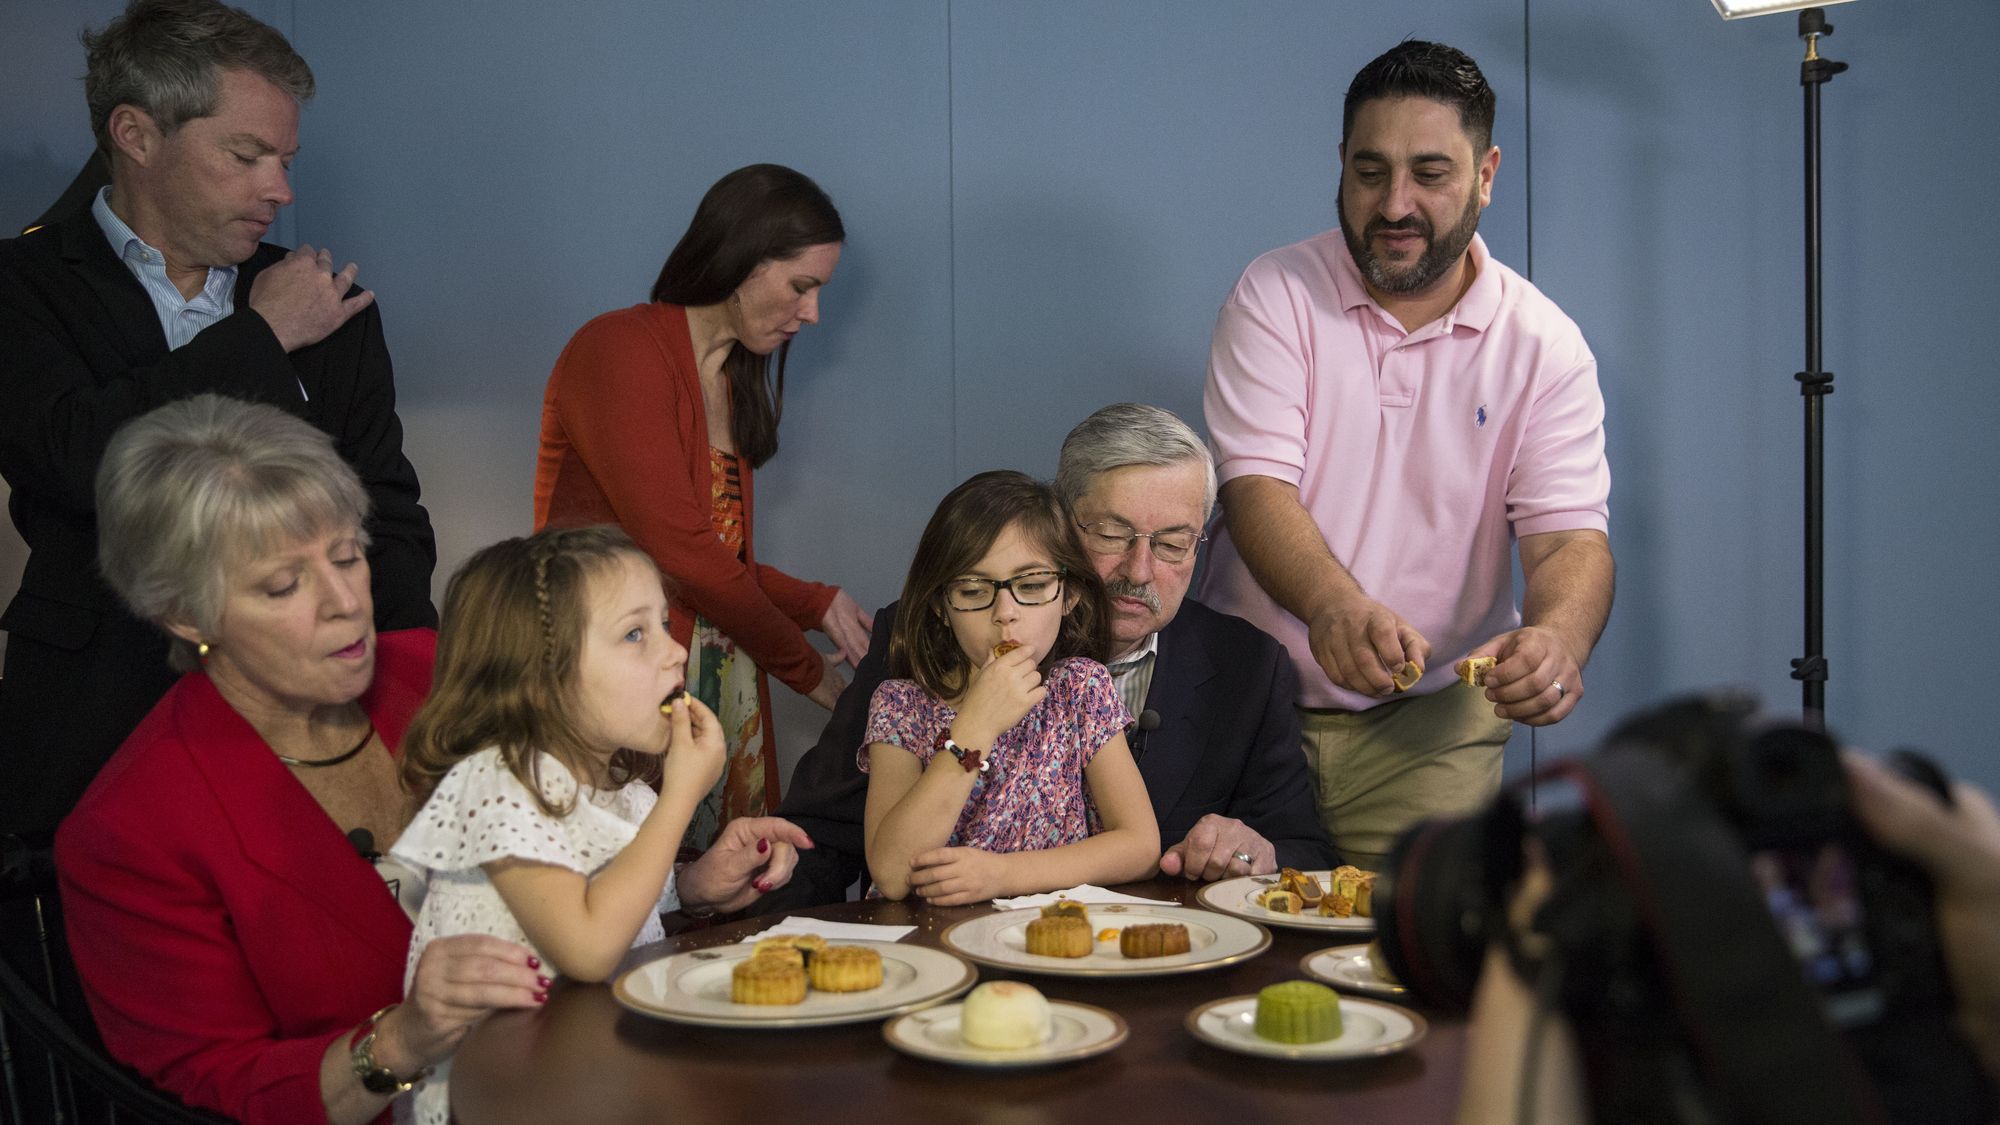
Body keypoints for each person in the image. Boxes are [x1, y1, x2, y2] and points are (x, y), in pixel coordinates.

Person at [54, 396, 791, 1125]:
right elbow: (218, 1086)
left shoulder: (440, 675)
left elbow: (565, 866)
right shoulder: (131, 828)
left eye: (348, 555)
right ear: (187, 614)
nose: (346, 600)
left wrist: (691, 885)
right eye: (284, 584)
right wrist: (399, 1039)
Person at [0, 0, 436, 844]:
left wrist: (416, 689)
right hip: (97, 715)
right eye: (247, 154)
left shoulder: (329, 303)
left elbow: (386, 507)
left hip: (317, 726)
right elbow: (74, 458)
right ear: (136, 134)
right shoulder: (22, 286)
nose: (280, 188)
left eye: (284, 157)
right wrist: (260, 337)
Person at [1201, 40, 1615, 868]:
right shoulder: (1275, 292)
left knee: (1414, 966)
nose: (1395, 203)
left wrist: (1557, 639)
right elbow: (1255, 489)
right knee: (1225, 951)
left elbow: (1570, 539)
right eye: (1370, 171)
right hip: (1245, 706)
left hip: (1435, 729)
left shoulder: (1546, 346)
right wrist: (1334, 607)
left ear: (1487, 174)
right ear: (1340, 167)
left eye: (1430, 173)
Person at [772, 403, 1335, 910]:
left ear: (1200, 543)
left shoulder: (1247, 665)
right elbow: (827, 831)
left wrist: (1253, 854)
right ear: (1060, 523)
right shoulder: (920, 642)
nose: (1139, 572)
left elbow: (1298, 845)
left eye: (1171, 544)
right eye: (1113, 535)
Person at [391, 527, 809, 1125]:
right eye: (635, 633)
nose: (674, 651)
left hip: (589, 1066)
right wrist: (683, 796)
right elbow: (586, 947)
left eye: (665, 625)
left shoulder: (621, 792)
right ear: (541, 677)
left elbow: (612, 897)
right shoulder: (498, 784)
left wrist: (694, 887)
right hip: (503, 1091)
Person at [535, 163, 871, 851]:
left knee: (719, 898)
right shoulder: (619, 348)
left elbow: (717, 555)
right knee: (633, 898)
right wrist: (815, 676)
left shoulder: (729, 377)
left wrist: (813, 600)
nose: (812, 314)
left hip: (712, 671)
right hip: (612, 675)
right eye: (801, 286)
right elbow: (680, 552)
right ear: (744, 259)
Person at [862, 470, 1158, 904]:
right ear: (942, 606)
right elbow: (891, 874)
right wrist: (974, 728)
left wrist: (1002, 875)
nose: (1006, 613)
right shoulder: (902, 706)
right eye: (972, 589)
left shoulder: (1081, 689)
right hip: (935, 950)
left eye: (1032, 585)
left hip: (1048, 941)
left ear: (1069, 594)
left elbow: (1140, 847)